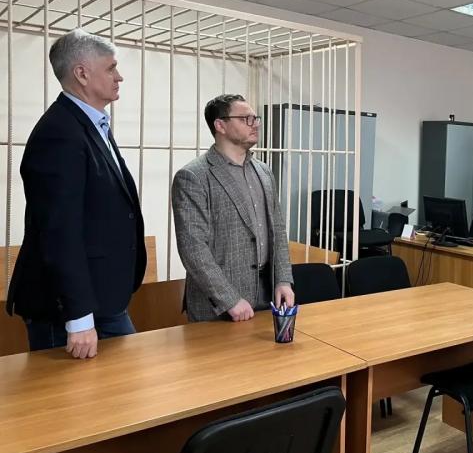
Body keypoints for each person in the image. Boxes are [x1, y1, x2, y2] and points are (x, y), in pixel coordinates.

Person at [5, 29, 146, 358]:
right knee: (76, 393)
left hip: (101, 299)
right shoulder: (60, 133)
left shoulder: (89, 125)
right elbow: (59, 231)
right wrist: (79, 316)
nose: (119, 77)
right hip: (69, 310)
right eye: (111, 68)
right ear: (82, 73)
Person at [172, 94, 294, 322]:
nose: (255, 124)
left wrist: (283, 279)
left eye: (255, 118)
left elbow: (277, 230)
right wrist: (229, 299)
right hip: (218, 305)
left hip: (267, 295)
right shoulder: (194, 176)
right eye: (246, 119)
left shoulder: (264, 172)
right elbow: (193, 247)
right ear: (220, 125)